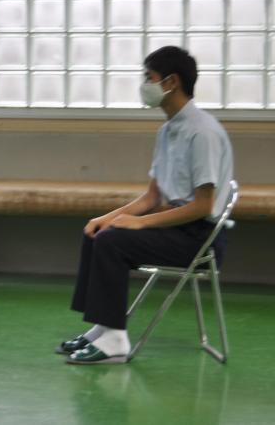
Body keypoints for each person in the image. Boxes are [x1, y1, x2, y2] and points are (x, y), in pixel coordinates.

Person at [57, 46, 234, 365]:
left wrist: (139, 223)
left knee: (113, 242)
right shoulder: (168, 131)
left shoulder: (203, 132)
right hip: (176, 228)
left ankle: (115, 343)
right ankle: (104, 327)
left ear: (172, 82)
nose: (144, 84)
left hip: (200, 239)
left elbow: (203, 206)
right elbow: (152, 197)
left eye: (149, 77)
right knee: (97, 233)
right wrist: (107, 217)